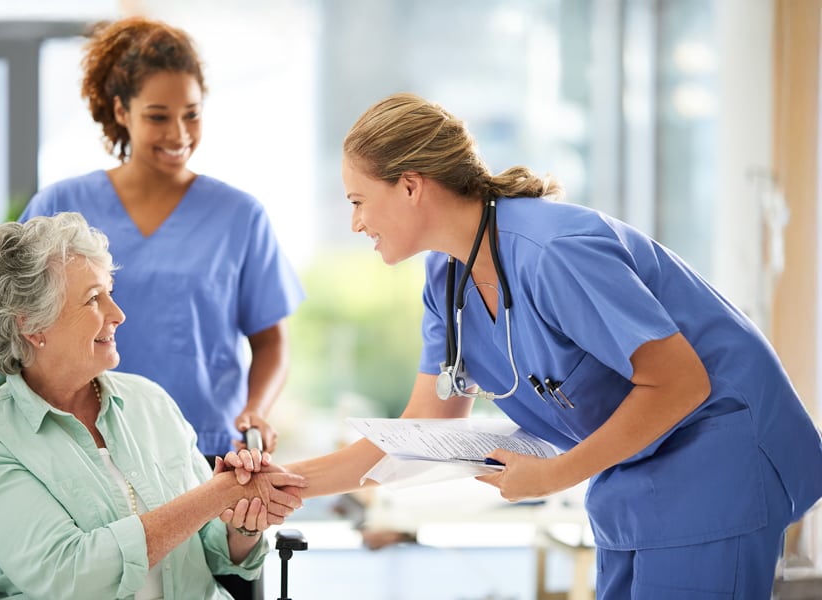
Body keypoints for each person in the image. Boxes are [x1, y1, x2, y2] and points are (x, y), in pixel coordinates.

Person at [273, 92, 822, 598]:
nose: (355, 222)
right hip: (633, 473)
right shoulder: (446, 280)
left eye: (358, 200)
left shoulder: (553, 251)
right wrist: (287, 484)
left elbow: (682, 380)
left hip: (716, 453)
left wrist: (554, 474)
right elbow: (423, 426)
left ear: (411, 186)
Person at [0, 212, 306, 600]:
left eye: (111, 292)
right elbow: (73, 576)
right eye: (93, 300)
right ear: (33, 326)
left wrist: (242, 525)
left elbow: (213, 548)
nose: (117, 315)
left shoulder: (149, 401)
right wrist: (214, 495)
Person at [22, 17, 304, 463]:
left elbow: (271, 341)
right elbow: (22, 324)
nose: (179, 134)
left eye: (191, 114)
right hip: (88, 448)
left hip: (207, 451)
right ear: (121, 112)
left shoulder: (240, 217)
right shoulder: (60, 205)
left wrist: (255, 410)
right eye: (158, 116)